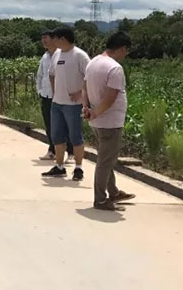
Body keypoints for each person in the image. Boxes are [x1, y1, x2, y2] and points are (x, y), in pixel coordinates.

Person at [84, 32, 136, 211]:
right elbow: (110, 97)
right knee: (105, 161)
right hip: (110, 122)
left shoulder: (93, 62)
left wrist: (87, 108)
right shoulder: (115, 68)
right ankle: (100, 199)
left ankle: (113, 191)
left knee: (107, 157)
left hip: (97, 121)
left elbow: (84, 88)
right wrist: (95, 113)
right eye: (126, 51)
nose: (126, 55)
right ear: (122, 48)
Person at [41, 27, 90, 181]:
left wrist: (81, 93)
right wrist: (55, 91)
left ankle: (78, 167)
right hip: (57, 103)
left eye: (55, 38)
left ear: (63, 39)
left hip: (73, 105)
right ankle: (60, 166)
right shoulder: (57, 54)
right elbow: (51, 74)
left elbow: (90, 77)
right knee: (57, 136)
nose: (52, 41)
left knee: (75, 136)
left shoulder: (80, 56)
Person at [36, 31, 73, 161]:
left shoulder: (62, 54)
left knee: (65, 125)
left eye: (46, 38)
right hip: (46, 95)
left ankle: (71, 152)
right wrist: (40, 90)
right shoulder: (45, 56)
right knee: (49, 125)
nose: (43, 41)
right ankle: (52, 150)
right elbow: (40, 75)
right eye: (42, 38)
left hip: (61, 96)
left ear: (54, 39)